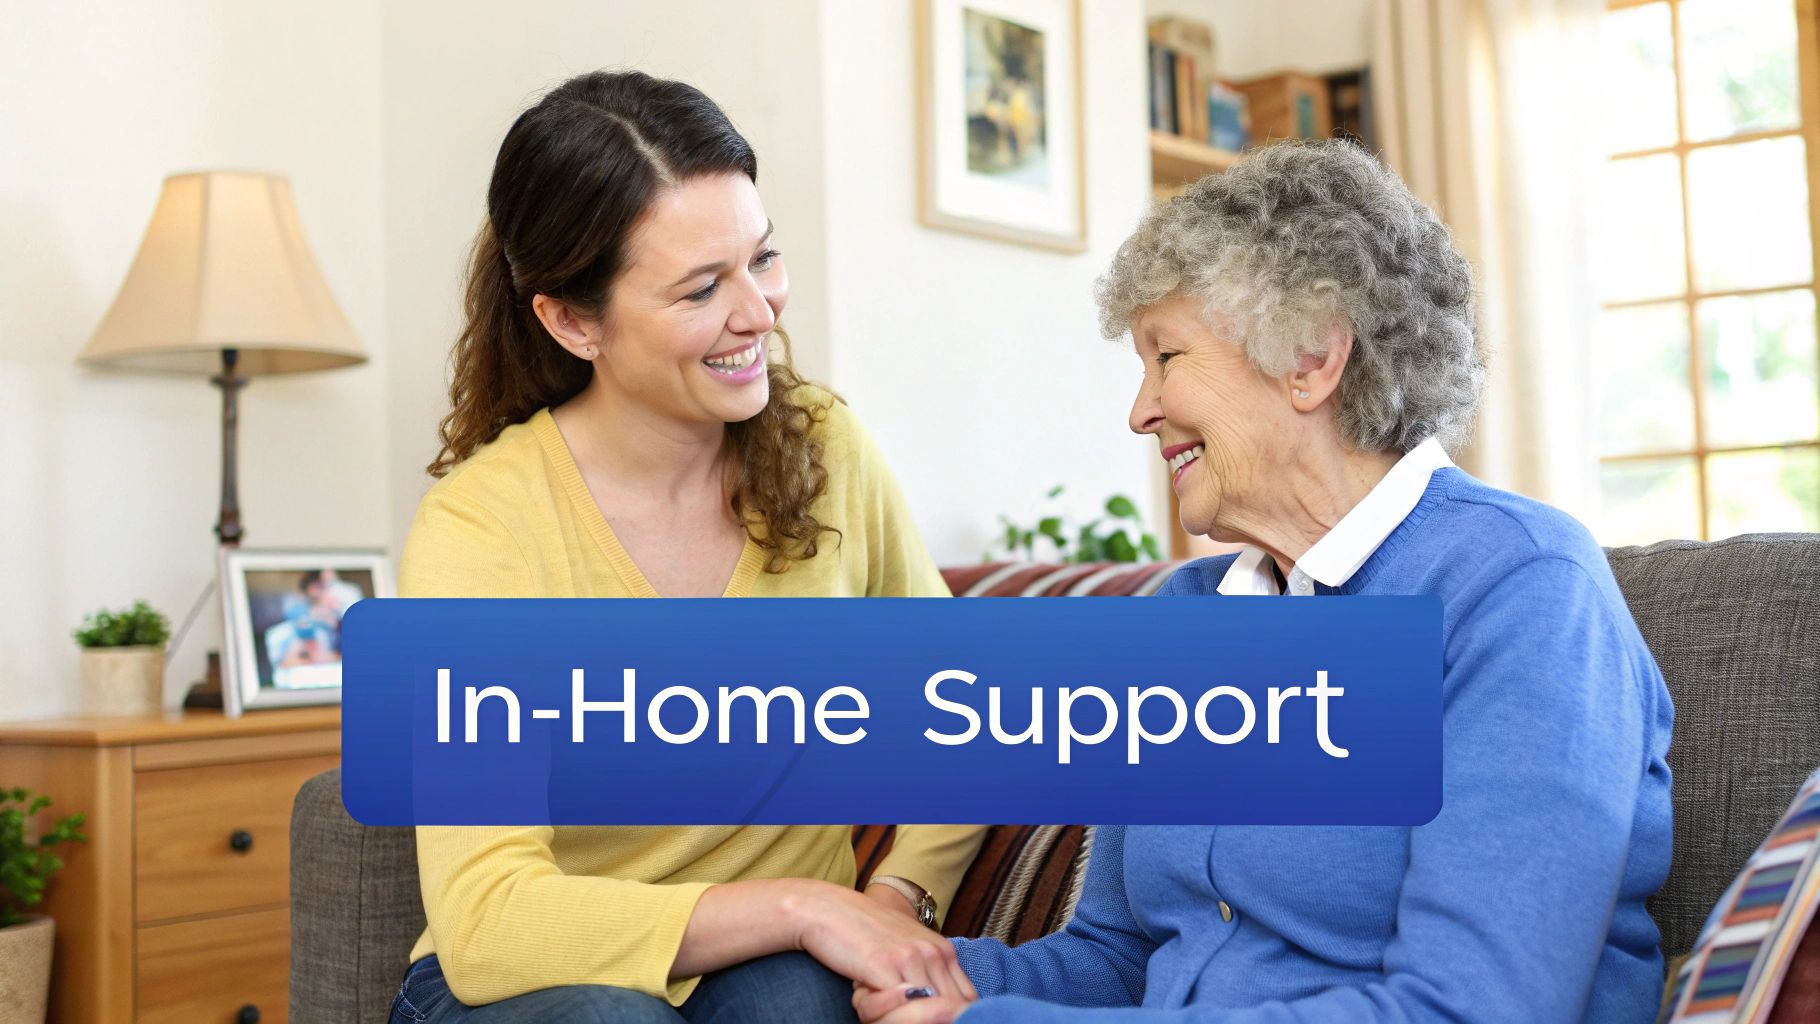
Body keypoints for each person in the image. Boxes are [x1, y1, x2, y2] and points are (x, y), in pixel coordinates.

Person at [854, 140, 1674, 1023]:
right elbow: (1119, 960)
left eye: (1167, 357)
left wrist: (982, 1023)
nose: (1139, 412)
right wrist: (916, 968)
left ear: (1312, 359)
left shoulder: (1519, 589)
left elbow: (1468, 1009)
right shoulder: (1187, 619)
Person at [391, 70, 982, 1024]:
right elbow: (488, 919)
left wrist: (889, 906)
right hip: (542, 984)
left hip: (770, 969)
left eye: (763, 258)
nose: (758, 313)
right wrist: (800, 903)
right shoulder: (483, 529)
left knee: (799, 1008)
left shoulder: (825, 448)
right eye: (702, 288)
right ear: (573, 320)